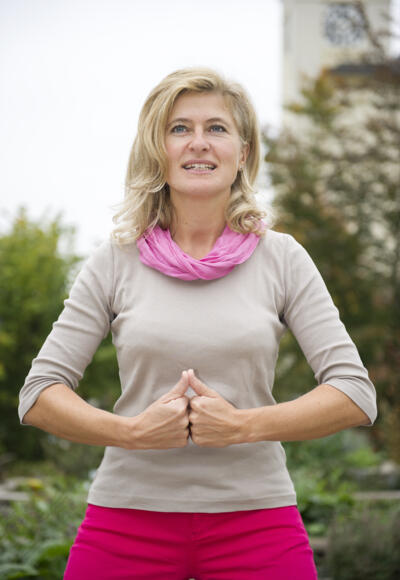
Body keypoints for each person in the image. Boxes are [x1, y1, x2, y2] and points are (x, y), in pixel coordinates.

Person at [18, 67, 377, 580]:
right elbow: (39, 394)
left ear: (243, 153)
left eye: (217, 128)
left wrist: (244, 425)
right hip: (127, 517)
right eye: (180, 128)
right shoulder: (115, 260)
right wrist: (132, 432)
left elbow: (354, 393)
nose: (198, 143)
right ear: (157, 150)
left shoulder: (283, 258)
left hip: (257, 519)